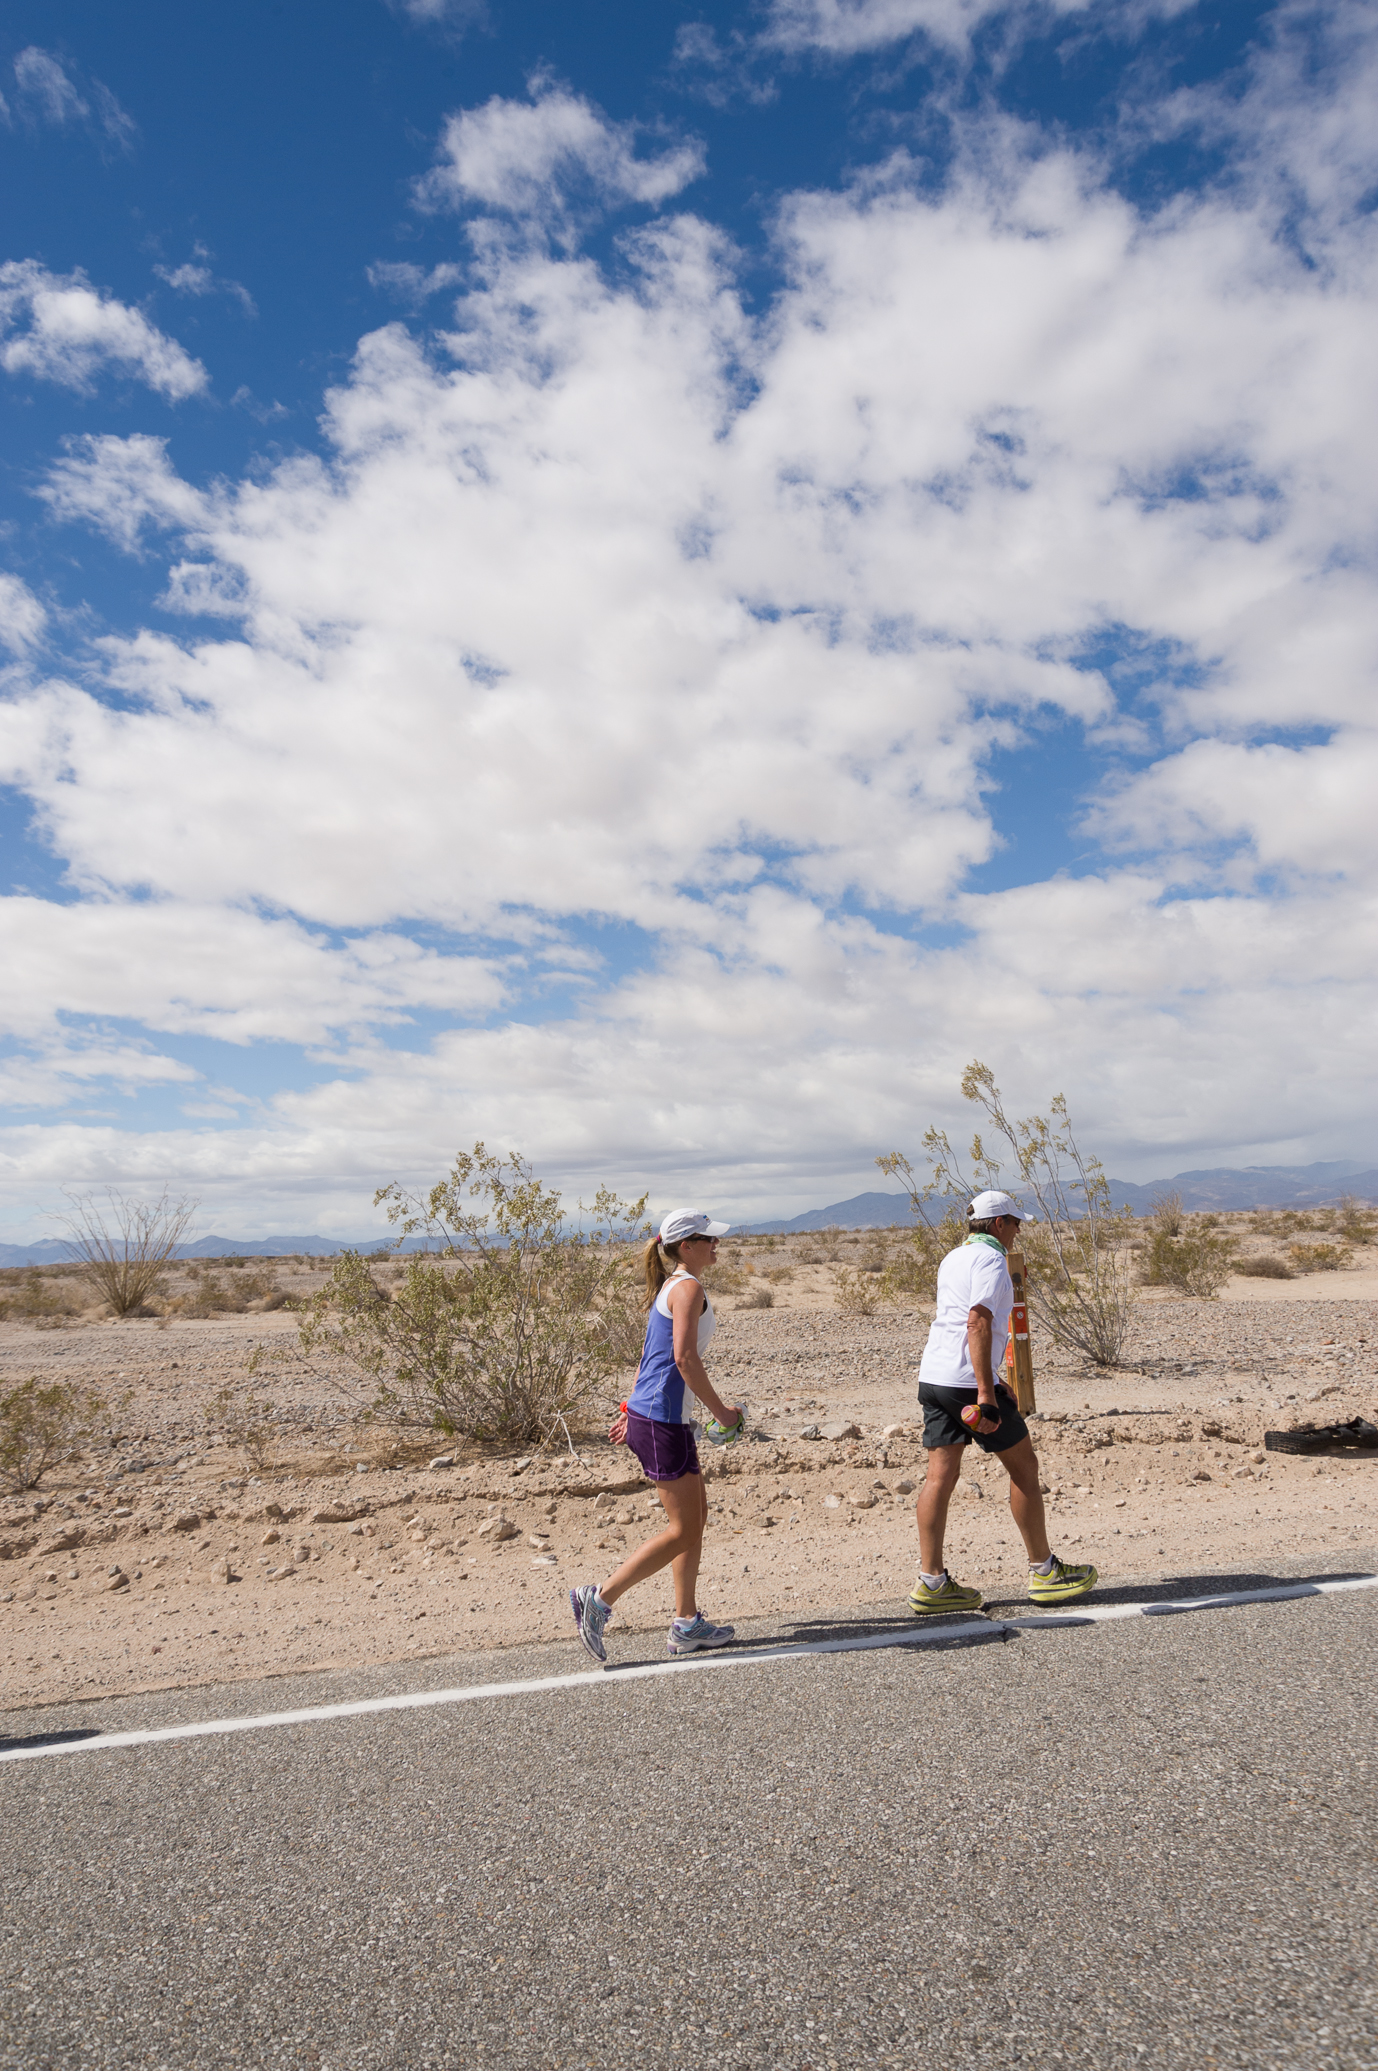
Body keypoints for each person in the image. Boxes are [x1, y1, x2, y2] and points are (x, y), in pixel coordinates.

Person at [908, 1189, 1098, 1615]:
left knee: (939, 1477)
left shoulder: (953, 1257)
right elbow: (977, 1322)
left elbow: (958, 1321)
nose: (1018, 1230)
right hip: (965, 1385)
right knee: (1024, 1467)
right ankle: (1044, 1572)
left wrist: (994, 1377)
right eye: (1015, 1222)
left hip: (935, 1376)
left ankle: (932, 1583)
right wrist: (986, 1392)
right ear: (998, 1224)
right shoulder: (994, 1260)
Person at [570, 1209, 743, 1663]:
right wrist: (723, 1413)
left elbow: (651, 1355)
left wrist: (629, 1409)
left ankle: (687, 1624)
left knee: (694, 1521)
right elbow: (683, 1359)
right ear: (687, 1246)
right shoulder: (686, 1288)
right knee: (684, 1527)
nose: (716, 1246)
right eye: (709, 1239)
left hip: (659, 1417)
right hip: (663, 1420)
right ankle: (600, 1598)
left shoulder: (673, 1287)